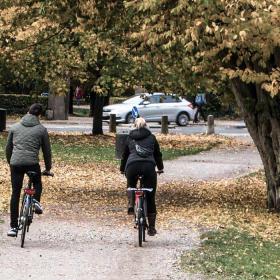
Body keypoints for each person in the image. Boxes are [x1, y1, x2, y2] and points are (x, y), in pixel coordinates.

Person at [5, 103, 52, 237]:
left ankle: (13, 227)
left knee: (15, 193)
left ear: (27, 111)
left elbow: (8, 149)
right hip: (32, 163)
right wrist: (48, 168)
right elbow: (47, 151)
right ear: (40, 115)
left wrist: (11, 162)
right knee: (37, 183)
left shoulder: (14, 127)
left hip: (16, 164)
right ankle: (36, 201)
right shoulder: (42, 130)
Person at [120, 117, 164, 236]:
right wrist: (160, 168)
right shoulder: (152, 137)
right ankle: (152, 228)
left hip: (132, 167)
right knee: (150, 196)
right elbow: (157, 155)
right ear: (146, 126)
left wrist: (122, 169)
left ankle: (130, 203)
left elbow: (124, 155)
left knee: (131, 186)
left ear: (134, 126)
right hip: (148, 167)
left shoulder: (130, 137)